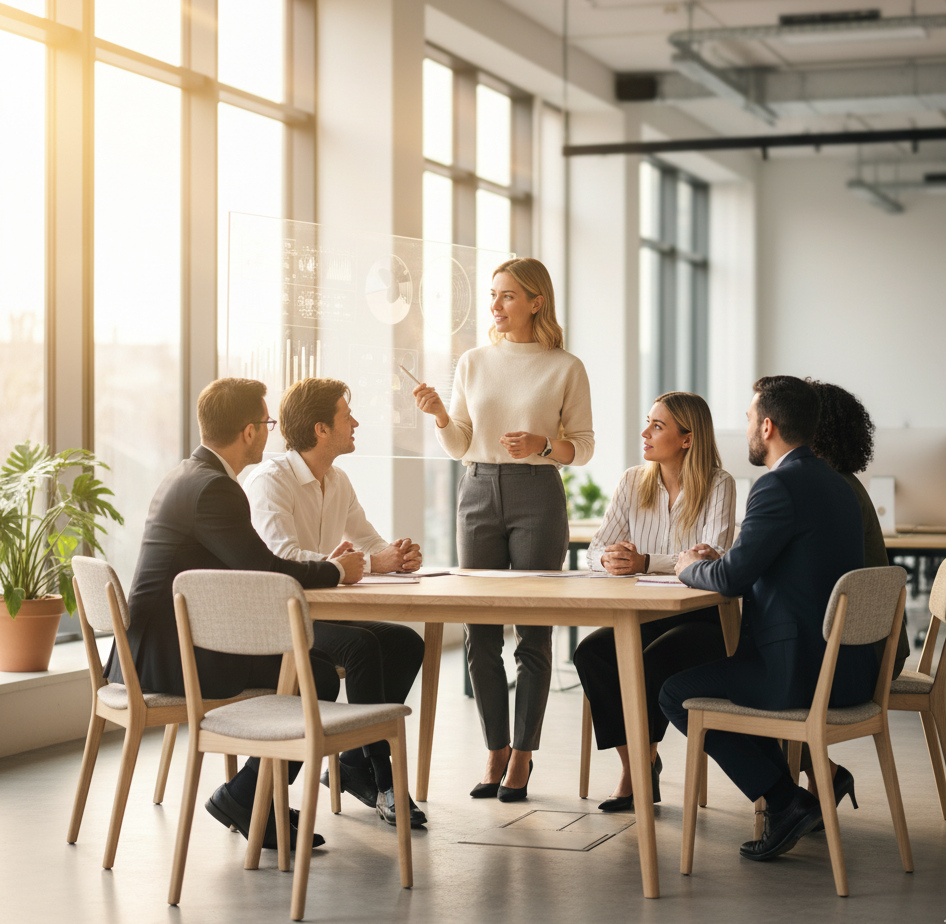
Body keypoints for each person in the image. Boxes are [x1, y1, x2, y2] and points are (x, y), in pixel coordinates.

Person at [105, 378, 352, 850]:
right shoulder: (215, 489)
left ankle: (259, 800)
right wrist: (337, 568)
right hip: (173, 659)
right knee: (313, 675)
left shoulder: (187, 474)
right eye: (267, 423)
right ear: (248, 432)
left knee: (310, 669)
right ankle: (246, 799)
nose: (269, 432)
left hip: (150, 650)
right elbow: (267, 571)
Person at [659, 375, 876, 863]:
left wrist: (690, 568)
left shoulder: (777, 484)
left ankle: (785, 802)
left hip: (797, 673)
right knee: (718, 671)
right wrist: (721, 560)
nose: (749, 430)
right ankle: (796, 796)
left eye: (750, 420)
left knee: (675, 693)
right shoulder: (835, 484)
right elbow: (783, 562)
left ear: (770, 425)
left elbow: (734, 579)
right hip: (845, 671)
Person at [412, 257, 594, 801]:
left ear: (536, 301)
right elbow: (464, 444)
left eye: (508, 295)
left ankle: (522, 754)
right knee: (479, 631)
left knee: (533, 630)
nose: (495, 305)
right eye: (494, 295)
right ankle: (494, 747)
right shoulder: (472, 361)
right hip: (477, 488)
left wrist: (542, 446)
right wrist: (443, 417)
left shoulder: (566, 366)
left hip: (537, 493)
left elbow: (582, 447)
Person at [244, 377, 427, 828]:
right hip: (274, 618)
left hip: (317, 614)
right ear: (321, 428)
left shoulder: (338, 479)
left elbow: (368, 541)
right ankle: (385, 782)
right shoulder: (271, 479)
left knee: (405, 642)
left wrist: (397, 556)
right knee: (361, 646)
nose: (356, 423)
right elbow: (281, 555)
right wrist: (370, 562)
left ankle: (351, 762)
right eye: (348, 416)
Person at [573, 392, 735, 811]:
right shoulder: (632, 481)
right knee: (592, 653)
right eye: (648, 422)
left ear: (687, 439)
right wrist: (609, 559)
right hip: (643, 615)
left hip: (702, 618)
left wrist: (644, 561)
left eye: (657, 426)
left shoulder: (719, 484)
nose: (645, 432)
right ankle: (639, 766)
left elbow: (712, 555)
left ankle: (637, 775)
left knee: (648, 661)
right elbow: (593, 551)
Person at [800, 379, 910, 803]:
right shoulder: (843, 483)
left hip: (862, 655)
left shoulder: (829, 491)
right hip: (874, 645)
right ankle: (821, 775)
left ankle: (788, 796)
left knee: (747, 679)